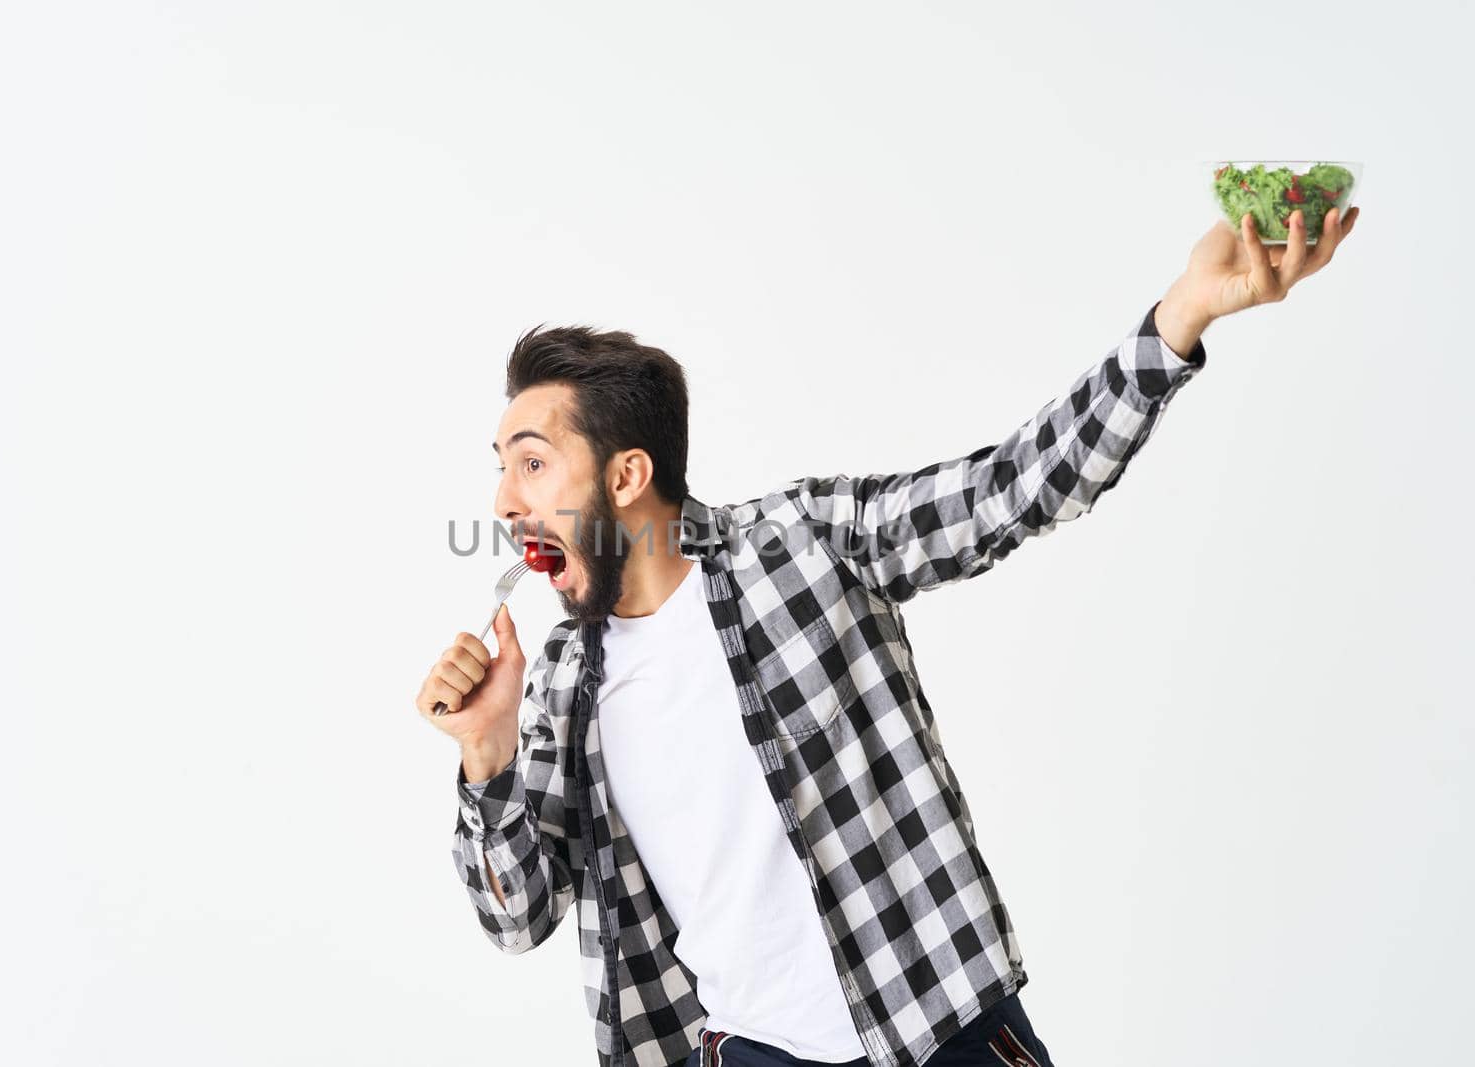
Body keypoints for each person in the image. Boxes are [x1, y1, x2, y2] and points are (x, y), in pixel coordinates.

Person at [416, 207, 1360, 1067]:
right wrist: (487, 755)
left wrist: (1181, 315)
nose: (505, 499)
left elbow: (1011, 491)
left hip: (938, 1026)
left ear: (626, 477)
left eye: (533, 463)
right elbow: (516, 915)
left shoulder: (804, 544)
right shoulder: (559, 685)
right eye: (502, 469)